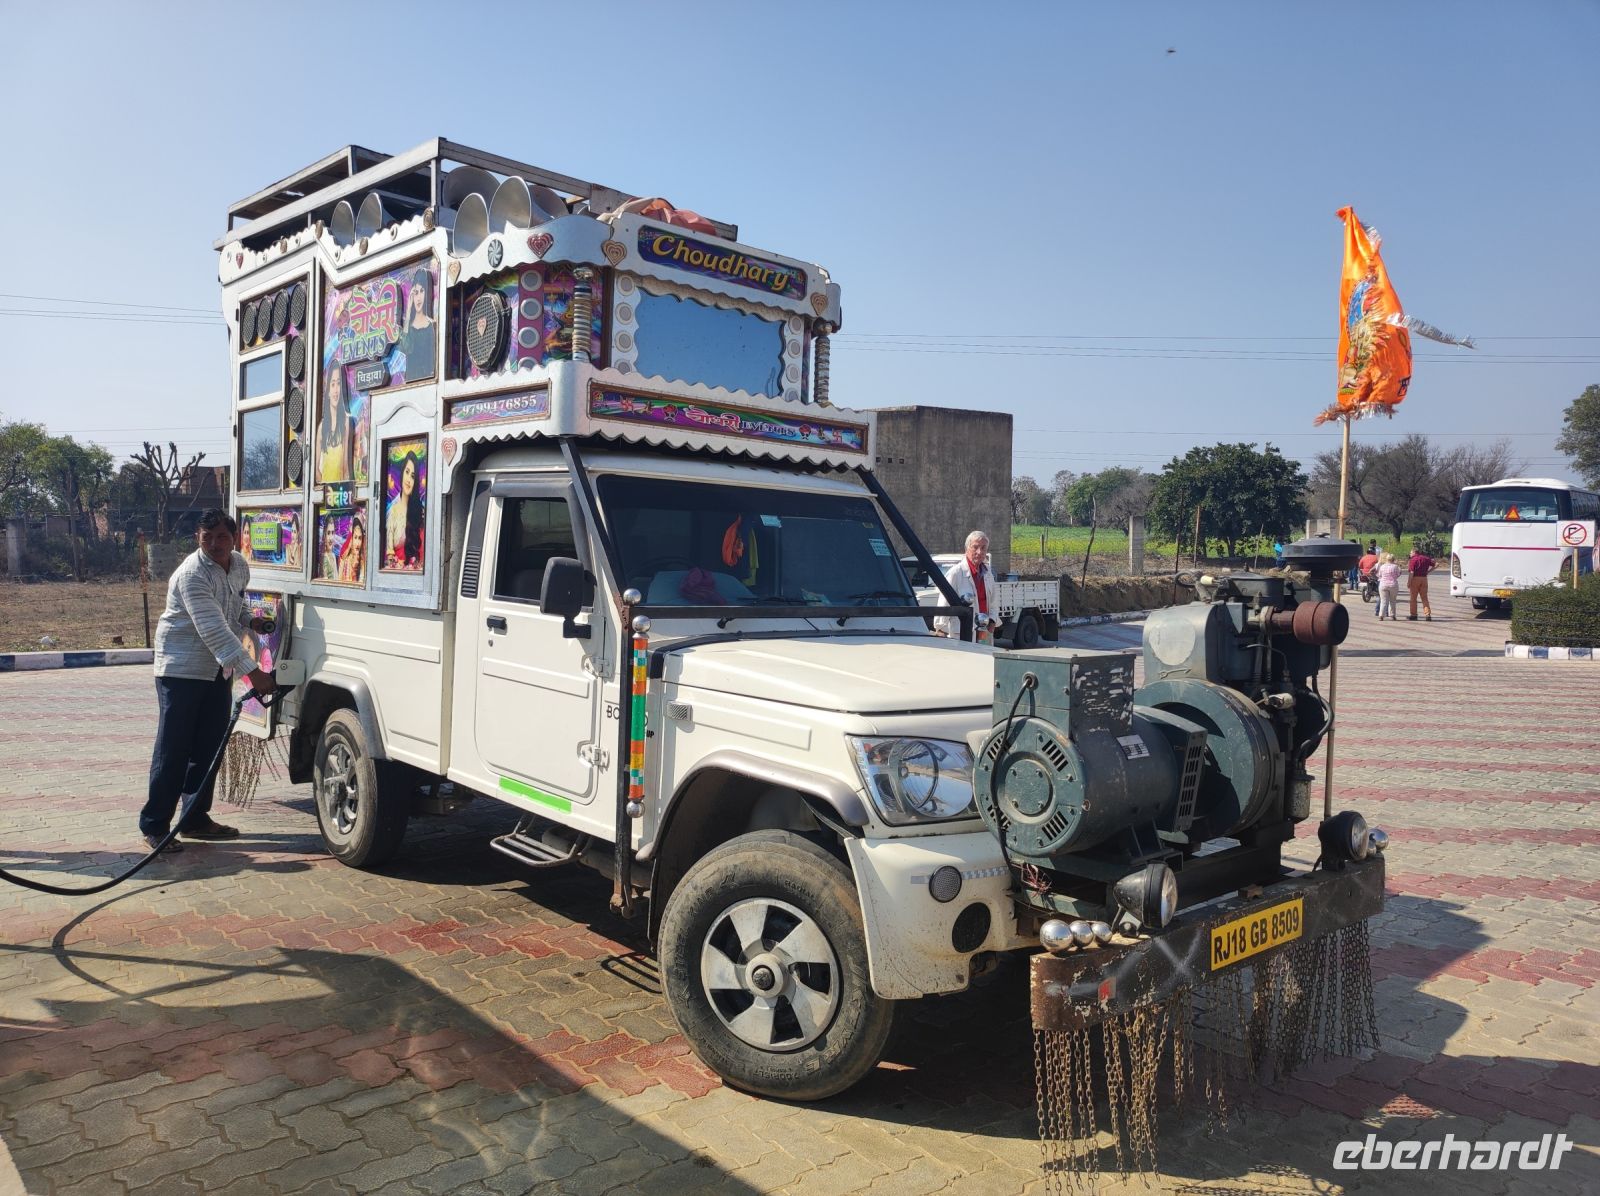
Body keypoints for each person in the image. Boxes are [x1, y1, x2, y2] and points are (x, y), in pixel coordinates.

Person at [138, 509, 275, 852]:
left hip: (217, 669)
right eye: (207, 538)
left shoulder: (238, 565)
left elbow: (234, 606)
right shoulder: (192, 574)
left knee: (208, 748)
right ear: (197, 538)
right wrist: (253, 672)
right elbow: (213, 628)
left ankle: (195, 819)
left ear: (234, 539)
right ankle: (155, 826)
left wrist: (251, 621)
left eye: (222, 537)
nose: (214, 544)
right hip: (181, 669)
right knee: (174, 749)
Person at [932, 530, 998, 641]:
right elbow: (944, 603)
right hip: (961, 632)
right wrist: (941, 629)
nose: (979, 552)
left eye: (983, 548)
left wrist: (992, 621)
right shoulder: (956, 573)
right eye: (975, 547)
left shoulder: (988, 573)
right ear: (967, 549)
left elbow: (993, 602)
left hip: (983, 632)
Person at [384, 451, 425, 570]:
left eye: (412, 476)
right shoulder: (393, 511)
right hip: (396, 572)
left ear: (415, 482)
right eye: (407, 472)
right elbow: (389, 553)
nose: (408, 480)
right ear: (402, 474)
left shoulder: (419, 512)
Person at [318, 367, 350, 483]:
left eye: (339, 384)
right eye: (332, 385)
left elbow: (345, 467)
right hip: (327, 491)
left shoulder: (345, 422)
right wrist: (325, 488)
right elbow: (315, 470)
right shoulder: (322, 427)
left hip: (341, 490)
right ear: (328, 391)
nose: (336, 390)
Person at [1408, 542, 1436, 621]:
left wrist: (1409, 582)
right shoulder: (1426, 558)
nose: (1410, 554)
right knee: (1424, 598)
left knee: (1413, 598)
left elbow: (1411, 572)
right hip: (1424, 579)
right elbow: (1436, 564)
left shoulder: (1413, 560)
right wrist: (1428, 572)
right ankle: (1427, 614)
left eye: (1410, 553)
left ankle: (1413, 615)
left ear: (1414, 552)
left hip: (1415, 579)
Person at [1375, 551, 1402, 621]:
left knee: (1383, 601)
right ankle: (1392, 615)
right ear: (1393, 559)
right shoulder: (1395, 567)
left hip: (1383, 585)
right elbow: (1398, 574)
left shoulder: (1382, 566)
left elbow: (1379, 575)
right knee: (1392, 601)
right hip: (1393, 585)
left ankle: (1381, 615)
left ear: (1387, 559)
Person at [1357, 543, 1381, 617]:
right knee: (1378, 581)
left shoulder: (1363, 557)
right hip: (1372, 574)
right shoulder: (1377, 558)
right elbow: (1378, 566)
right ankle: (1377, 591)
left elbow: (1360, 565)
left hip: (1364, 574)